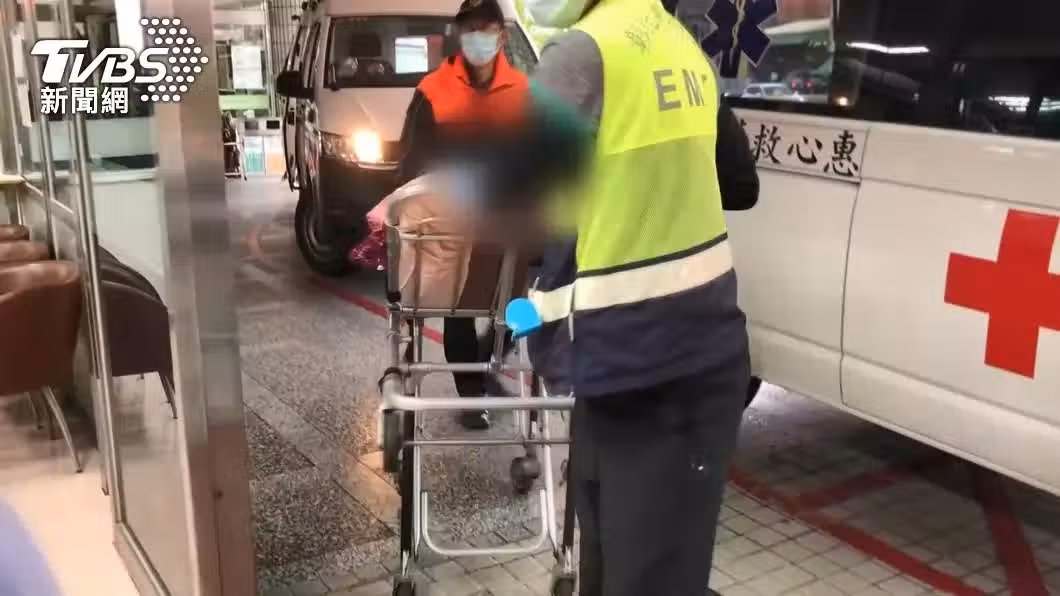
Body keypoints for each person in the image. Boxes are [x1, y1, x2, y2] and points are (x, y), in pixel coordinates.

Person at [450, 0, 760, 593]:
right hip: (679, 357)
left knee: (640, 574)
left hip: (638, 366)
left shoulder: (584, 54)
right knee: (626, 566)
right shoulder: (680, 44)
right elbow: (740, 183)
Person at [396, 0, 529, 430]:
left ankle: (490, 360)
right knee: (458, 309)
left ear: (501, 36)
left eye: (485, 28)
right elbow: (411, 163)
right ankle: (472, 396)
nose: (477, 38)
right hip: (450, 227)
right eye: (469, 29)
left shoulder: (522, 93)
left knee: (521, 309)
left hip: (504, 230)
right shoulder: (433, 91)